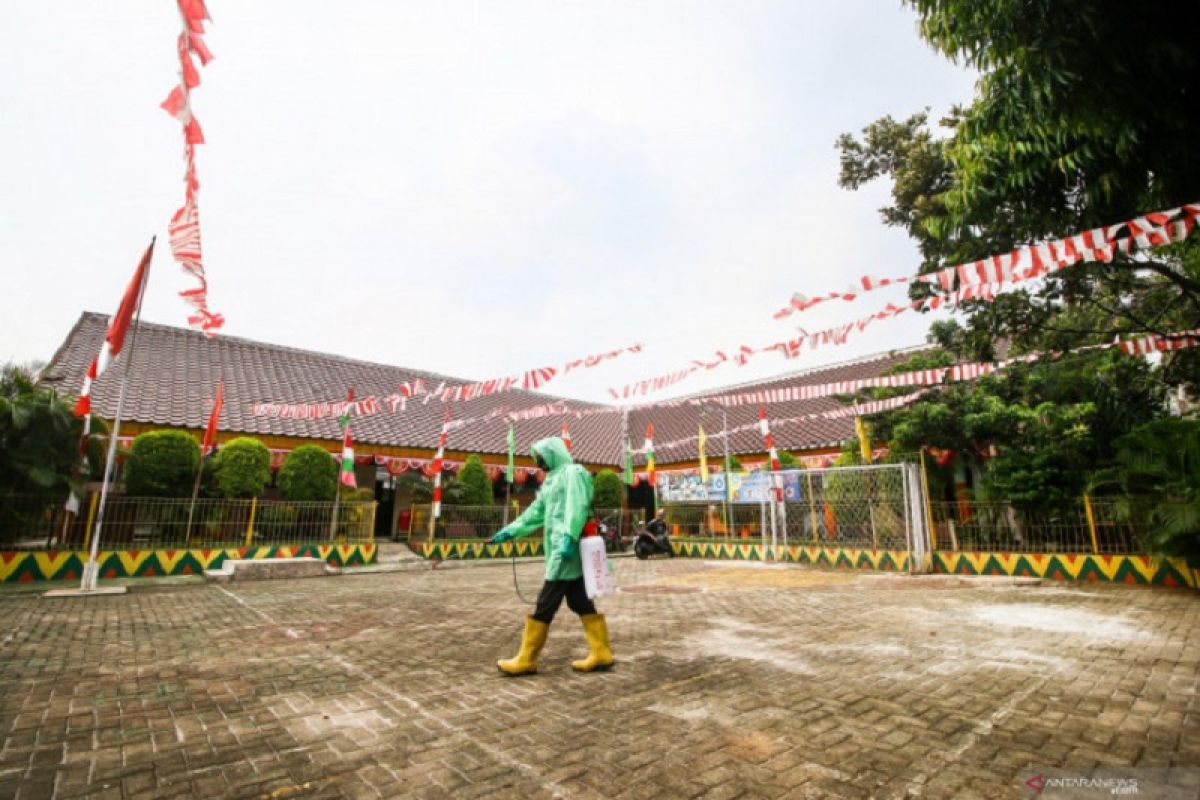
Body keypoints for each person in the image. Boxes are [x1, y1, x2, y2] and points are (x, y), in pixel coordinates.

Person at [489, 436, 613, 676]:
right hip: (559, 548)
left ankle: (526, 658)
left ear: (553, 453)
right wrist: (508, 532)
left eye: (541, 456)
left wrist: (569, 535)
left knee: (545, 603)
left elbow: (577, 505)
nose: (538, 461)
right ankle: (601, 652)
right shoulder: (549, 482)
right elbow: (534, 514)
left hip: (567, 550)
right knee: (579, 602)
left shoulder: (573, 472)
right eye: (537, 458)